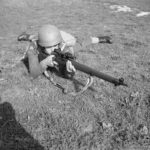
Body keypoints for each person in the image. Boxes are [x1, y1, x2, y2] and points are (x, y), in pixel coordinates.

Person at [18, 24, 112, 94]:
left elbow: (66, 73)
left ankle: (100, 39)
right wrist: (44, 63)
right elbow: (33, 73)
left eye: (55, 45)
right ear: (42, 46)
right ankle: (27, 36)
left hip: (60, 41)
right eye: (49, 47)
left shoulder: (62, 44)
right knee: (34, 37)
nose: (53, 49)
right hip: (39, 40)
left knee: (81, 43)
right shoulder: (33, 47)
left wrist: (69, 71)